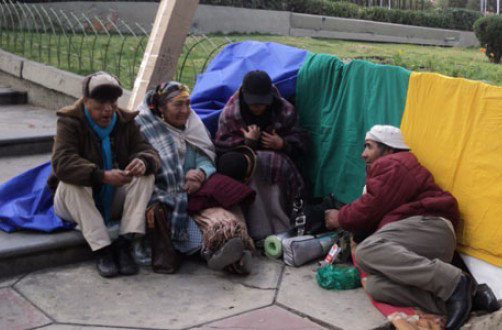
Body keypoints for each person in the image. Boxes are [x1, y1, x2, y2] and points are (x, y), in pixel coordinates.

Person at [324, 125, 473, 330]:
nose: (363, 153)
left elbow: (369, 208)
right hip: (416, 236)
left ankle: (454, 283)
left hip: (430, 226)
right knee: (377, 287)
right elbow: (375, 210)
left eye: (369, 147)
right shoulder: (391, 169)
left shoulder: (396, 164)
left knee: (367, 251)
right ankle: (474, 297)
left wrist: (340, 217)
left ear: (389, 149)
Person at [136, 81, 255, 274]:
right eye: (178, 105)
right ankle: (219, 256)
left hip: (196, 187)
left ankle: (237, 251)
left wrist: (200, 174)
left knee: (229, 198)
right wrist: (182, 178)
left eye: (187, 103)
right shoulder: (145, 129)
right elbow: (148, 168)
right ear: (160, 108)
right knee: (196, 233)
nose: (185, 110)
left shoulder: (192, 125)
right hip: (166, 192)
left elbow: (205, 158)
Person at [48, 72, 160, 278]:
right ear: (86, 101)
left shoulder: (125, 121)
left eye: (112, 102)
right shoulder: (70, 122)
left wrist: (143, 161)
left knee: (146, 176)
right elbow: (62, 163)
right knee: (70, 183)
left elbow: (149, 152)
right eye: (100, 103)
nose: (108, 109)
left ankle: (125, 242)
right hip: (76, 203)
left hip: (113, 197)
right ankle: (102, 249)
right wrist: (102, 176)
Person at [215, 70, 309, 241]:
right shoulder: (231, 114)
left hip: (280, 169)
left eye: (262, 103)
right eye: (253, 103)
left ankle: (282, 226)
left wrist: (282, 143)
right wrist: (248, 143)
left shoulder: (285, 110)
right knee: (257, 164)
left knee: (272, 165)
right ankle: (257, 230)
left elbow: (302, 142)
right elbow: (222, 150)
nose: (258, 107)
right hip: (248, 171)